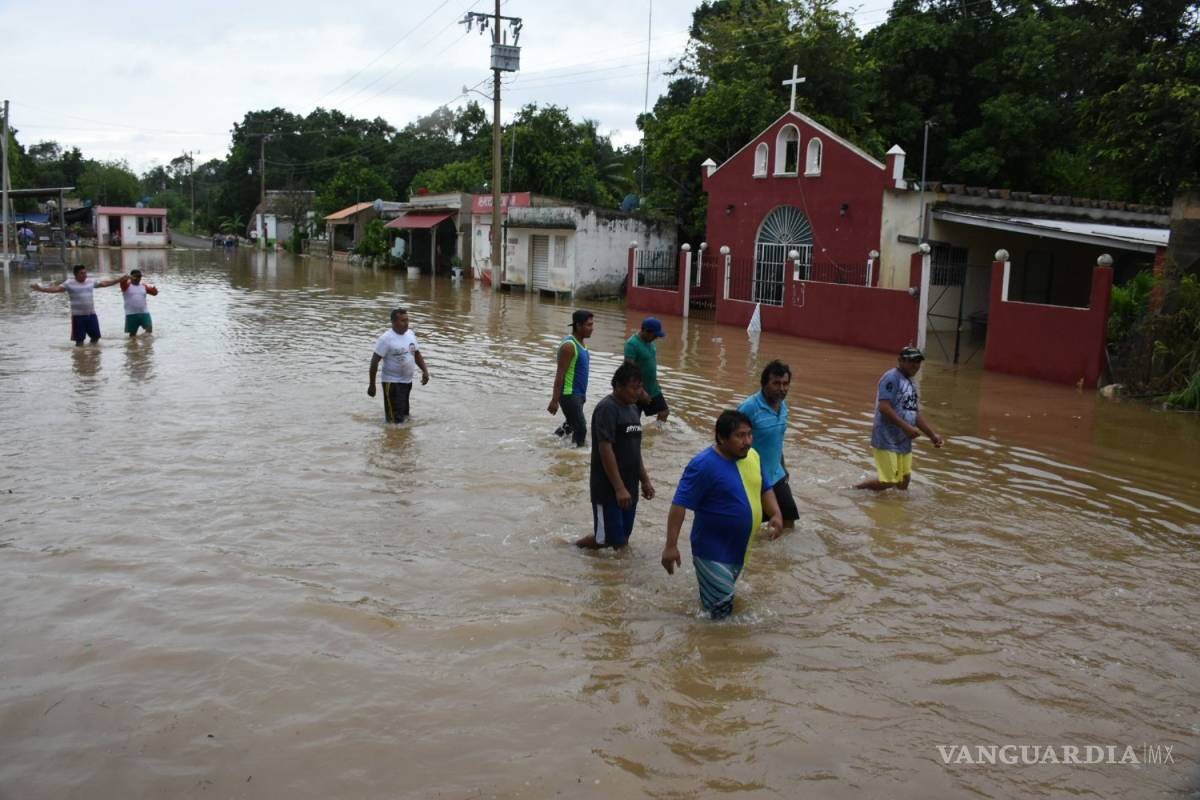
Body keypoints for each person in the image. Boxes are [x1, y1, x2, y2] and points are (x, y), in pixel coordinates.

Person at [661, 410, 783, 619]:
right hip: (712, 552)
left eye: (749, 434)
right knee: (720, 618)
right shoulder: (703, 465)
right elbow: (679, 505)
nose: (747, 441)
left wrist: (776, 514)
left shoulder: (753, 456)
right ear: (721, 438)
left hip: (741, 549)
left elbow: (765, 488)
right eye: (740, 436)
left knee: (718, 609)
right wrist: (671, 546)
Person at [577, 361, 655, 550]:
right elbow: (605, 449)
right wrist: (619, 488)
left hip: (630, 487)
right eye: (634, 388)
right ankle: (572, 549)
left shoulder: (633, 409)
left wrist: (645, 480)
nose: (638, 392)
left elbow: (635, 450)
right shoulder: (607, 409)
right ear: (618, 386)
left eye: (640, 387)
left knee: (623, 538)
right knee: (608, 540)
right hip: (608, 489)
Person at [854, 346, 945, 491]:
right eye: (911, 361)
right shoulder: (891, 378)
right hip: (886, 437)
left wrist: (932, 435)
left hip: (903, 438)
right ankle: (853, 490)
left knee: (904, 480)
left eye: (918, 361)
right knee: (888, 481)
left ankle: (895, 503)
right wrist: (907, 427)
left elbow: (914, 413)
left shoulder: (911, 383)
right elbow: (884, 407)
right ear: (900, 361)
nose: (915, 365)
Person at [738, 360, 799, 530]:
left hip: (777, 475)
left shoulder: (783, 406)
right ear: (764, 384)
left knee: (788, 522)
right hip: (753, 477)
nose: (782, 388)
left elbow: (777, 441)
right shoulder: (749, 408)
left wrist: (783, 467)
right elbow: (731, 440)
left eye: (785, 384)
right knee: (750, 524)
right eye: (776, 383)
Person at [31, 265, 125, 346]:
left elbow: (104, 283)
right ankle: (80, 358)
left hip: (91, 315)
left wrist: (119, 280)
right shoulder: (69, 283)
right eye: (82, 273)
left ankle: (93, 353)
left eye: (85, 273)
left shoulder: (90, 281)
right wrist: (41, 289)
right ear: (76, 274)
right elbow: (56, 289)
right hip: (78, 317)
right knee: (79, 341)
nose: (85, 275)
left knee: (96, 337)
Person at [367, 307, 430, 423]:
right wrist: (372, 385)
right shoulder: (386, 339)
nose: (406, 323)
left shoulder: (410, 334)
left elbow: (416, 354)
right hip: (391, 383)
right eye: (403, 320)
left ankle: (402, 434)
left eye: (407, 320)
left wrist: (425, 371)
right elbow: (374, 362)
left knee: (405, 416)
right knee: (393, 422)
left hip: (407, 382)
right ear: (394, 322)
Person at [547, 309, 593, 447]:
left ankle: (549, 443)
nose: (592, 328)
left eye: (592, 324)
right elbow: (560, 374)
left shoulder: (582, 345)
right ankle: (577, 457)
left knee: (570, 425)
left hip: (578, 395)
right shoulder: (569, 346)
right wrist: (554, 400)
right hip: (569, 394)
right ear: (578, 326)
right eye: (589, 325)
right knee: (581, 429)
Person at [623, 316, 670, 422]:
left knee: (664, 412)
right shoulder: (632, 344)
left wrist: (656, 382)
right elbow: (628, 371)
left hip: (653, 388)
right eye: (655, 335)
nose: (656, 338)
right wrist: (641, 392)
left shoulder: (651, 342)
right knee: (633, 420)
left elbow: (650, 364)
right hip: (636, 390)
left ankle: (657, 432)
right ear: (646, 331)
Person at [120, 270, 159, 338]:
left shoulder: (143, 286)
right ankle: (135, 343)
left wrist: (153, 287)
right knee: (132, 336)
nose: (138, 278)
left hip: (144, 313)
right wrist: (128, 277)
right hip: (131, 314)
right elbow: (122, 281)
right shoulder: (126, 286)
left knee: (149, 330)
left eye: (139, 276)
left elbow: (155, 293)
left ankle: (144, 342)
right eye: (136, 276)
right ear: (131, 277)